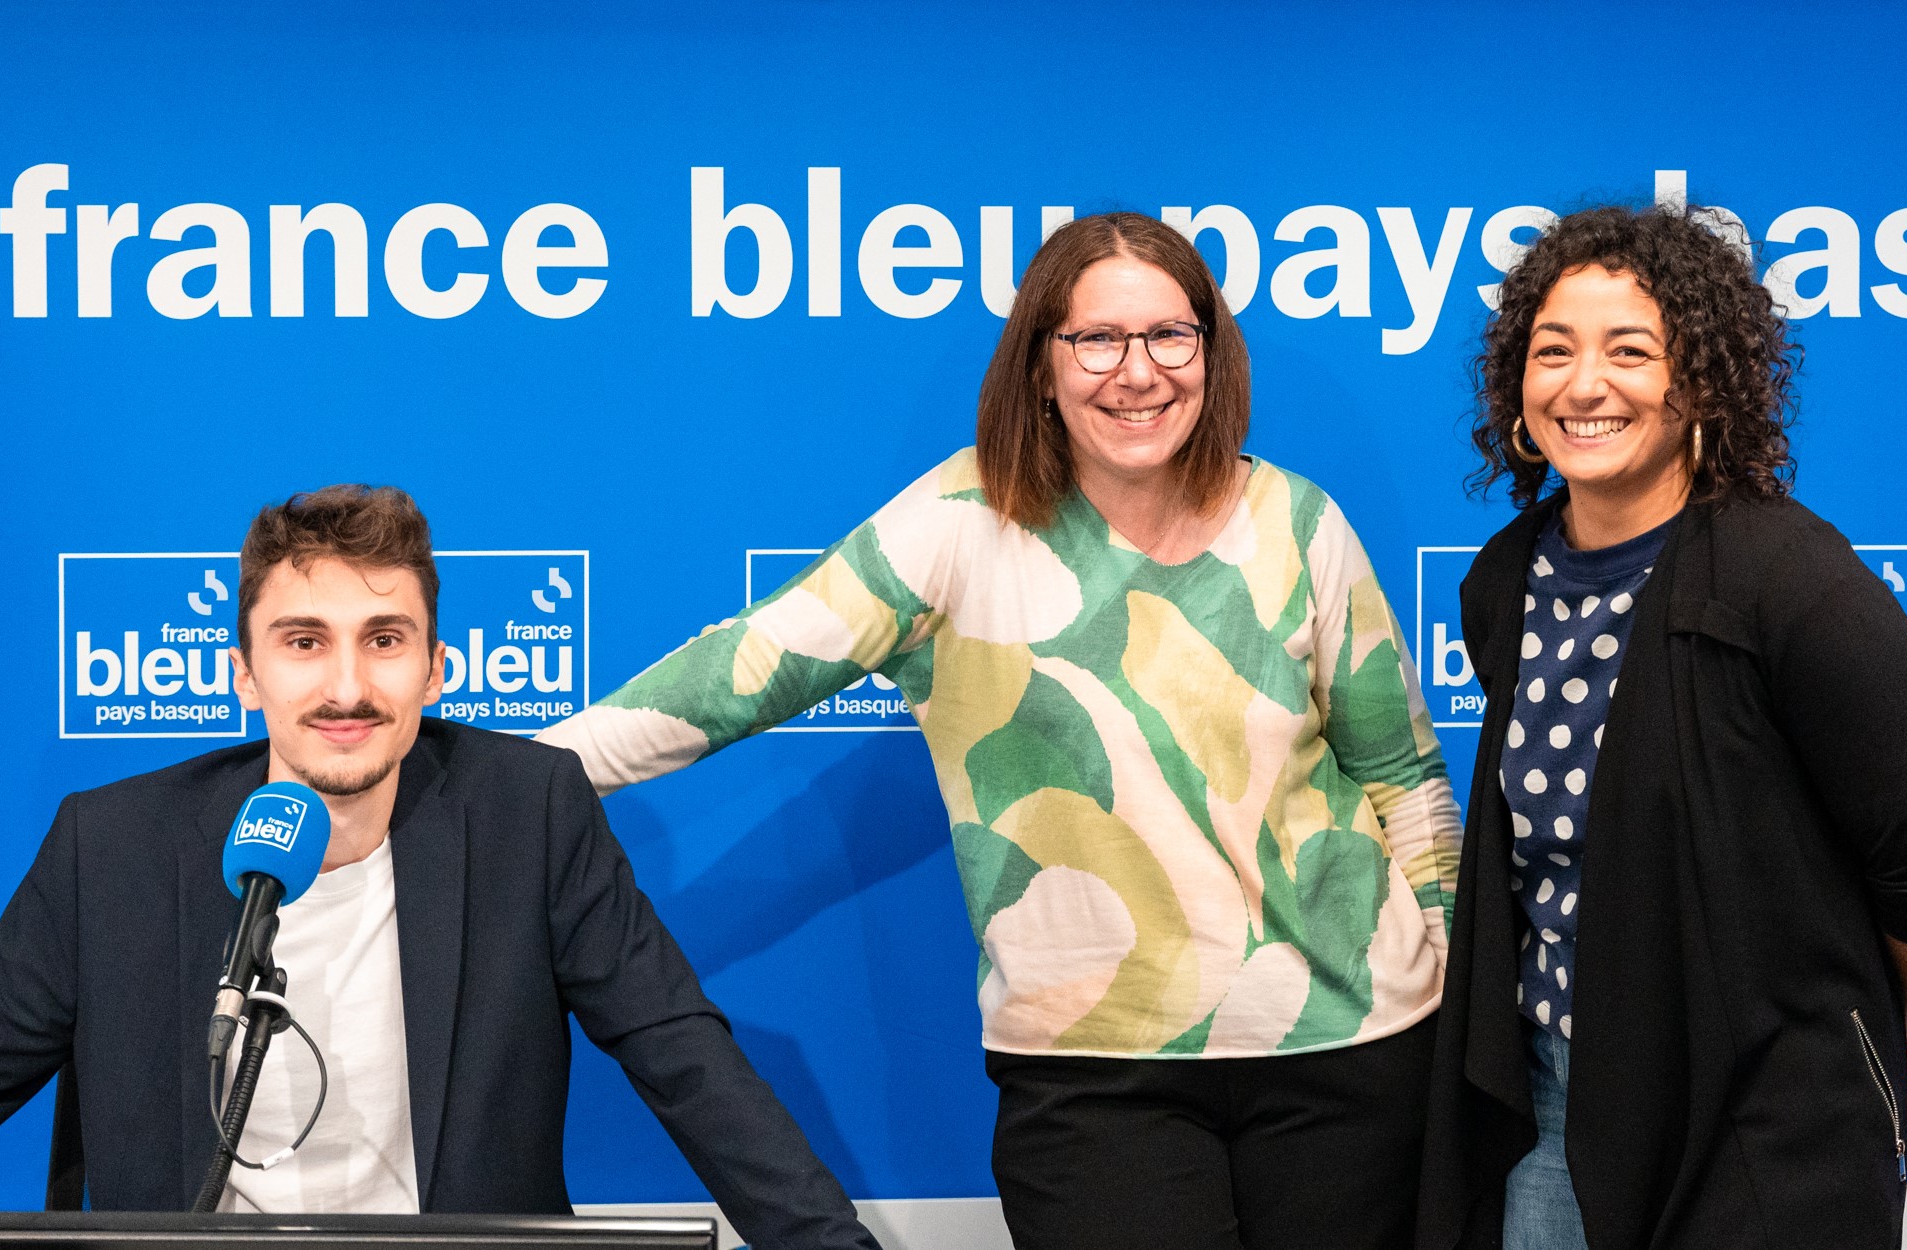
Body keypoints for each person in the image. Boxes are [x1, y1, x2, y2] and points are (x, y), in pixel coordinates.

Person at [536, 211, 1463, 1250]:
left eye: (1170, 335)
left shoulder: (1297, 519)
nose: (1137, 372)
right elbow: (736, 674)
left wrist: (1449, 970)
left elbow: (1402, 772)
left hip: (1353, 1050)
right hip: (1094, 1077)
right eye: (1097, 339)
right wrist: (493, 776)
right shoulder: (957, 522)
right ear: (1041, 364)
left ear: (1210, 349)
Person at [0, 485, 881, 1248]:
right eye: (303, 642)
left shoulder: (528, 813)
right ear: (244, 675)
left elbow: (685, 1061)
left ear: (435, 669)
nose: (345, 687)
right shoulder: (108, 847)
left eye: (384, 640)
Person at [1416, 204, 1907, 1249]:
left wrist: (1851, 1005)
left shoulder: (1792, 580)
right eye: (1554, 350)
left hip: (1762, 1120)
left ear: (1703, 382)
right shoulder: (1505, 581)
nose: (1584, 384)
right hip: (1550, 1102)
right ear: (1517, 384)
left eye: (1630, 350)